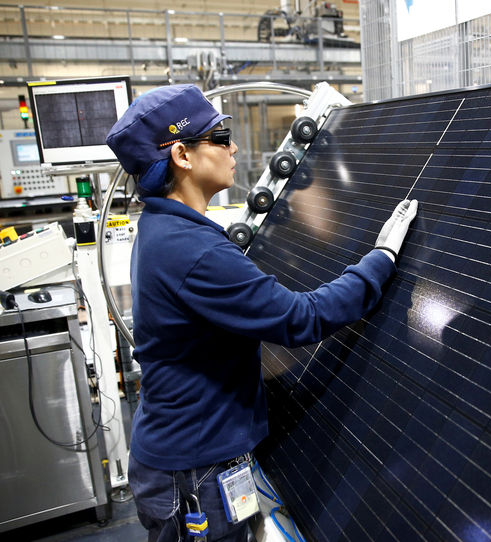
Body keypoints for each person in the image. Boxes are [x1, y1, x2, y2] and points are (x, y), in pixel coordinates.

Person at [105, 84, 417, 542]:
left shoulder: (165, 229)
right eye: (218, 136)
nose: (232, 147)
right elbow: (300, 318)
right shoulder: (191, 251)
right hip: (194, 472)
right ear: (182, 156)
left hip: (193, 456)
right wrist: (381, 260)